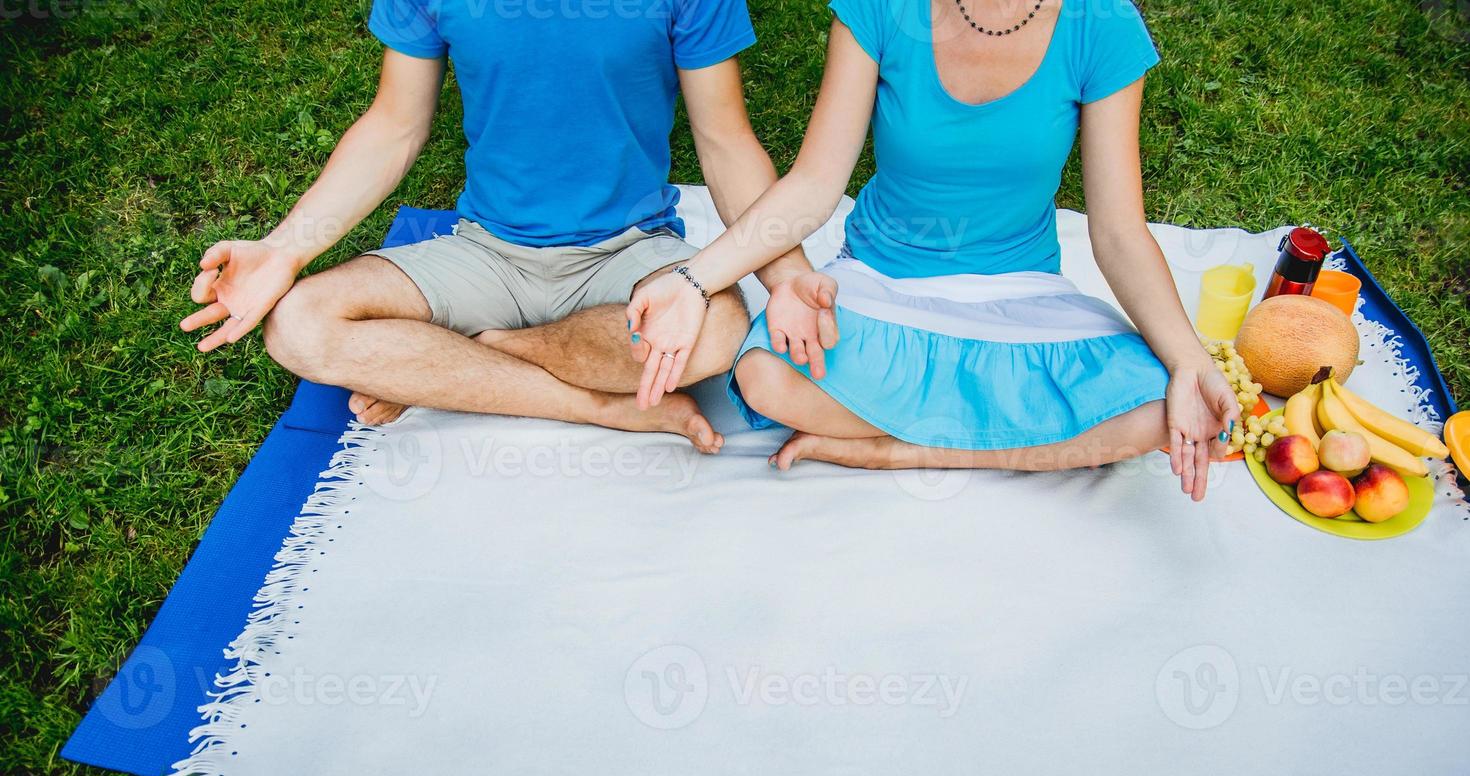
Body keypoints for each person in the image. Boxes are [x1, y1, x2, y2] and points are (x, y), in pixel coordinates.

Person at [626, 0, 1239, 498]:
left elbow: (1118, 233)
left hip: (1020, 296)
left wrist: (1190, 362)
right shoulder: (881, 9)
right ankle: (1006, 444)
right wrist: (693, 280)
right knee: (763, 375)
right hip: (882, 281)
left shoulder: (1100, 22)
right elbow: (813, 185)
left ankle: (901, 449)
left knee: (1160, 411)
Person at [179, 0, 818, 452]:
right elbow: (394, 127)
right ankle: (593, 404)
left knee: (719, 328)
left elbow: (726, 144)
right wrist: (285, 249)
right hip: (487, 252)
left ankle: (477, 358)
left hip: (630, 252)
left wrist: (788, 276)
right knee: (298, 326)